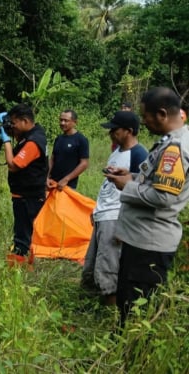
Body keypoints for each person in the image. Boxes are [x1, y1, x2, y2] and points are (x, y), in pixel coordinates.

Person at [106, 87, 189, 326]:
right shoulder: (171, 141)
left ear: (162, 114)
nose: (143, 121)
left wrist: (127, 187)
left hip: (149, 242)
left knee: (136, 307)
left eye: (146, 116)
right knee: (128, 301)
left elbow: (164, 197)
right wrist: (131, 176)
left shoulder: (175, 148)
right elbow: (158, 183)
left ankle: (131, 356)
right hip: (140, 237)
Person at [80, 111, 148, 306]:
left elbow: (139, 192)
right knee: (92, 264)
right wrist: (96, 210)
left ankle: (112, 314)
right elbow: (109, 187)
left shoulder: (139, 154)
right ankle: (94, 305)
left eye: (114, 129)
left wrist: (126, 225)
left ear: (128, 131)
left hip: (116, 217)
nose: (110, 133)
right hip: (104, 214)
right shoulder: (117, 152)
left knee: (108, 267)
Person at [0, 104, 48, 259]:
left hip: (28, 197)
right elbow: (19, 139)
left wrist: (5, 141)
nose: (12, 127)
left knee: (24, 236)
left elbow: (13, 165)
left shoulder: (34, 141)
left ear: (25, 121)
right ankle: (24, 262)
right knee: (23, 231)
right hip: (24, 195)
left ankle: (20, 268)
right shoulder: (31, 134)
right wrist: (8, 124)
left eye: (14, 123)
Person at [47, 109, 90, 191]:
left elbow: (84, 164)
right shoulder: (58, 139)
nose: (62, 123)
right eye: (61, 120)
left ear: (75, 122)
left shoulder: (81, 140)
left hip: (67, 186)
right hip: (52, 183)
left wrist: (66, 179)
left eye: (66, 121)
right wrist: (46, 176)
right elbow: (52, 159)